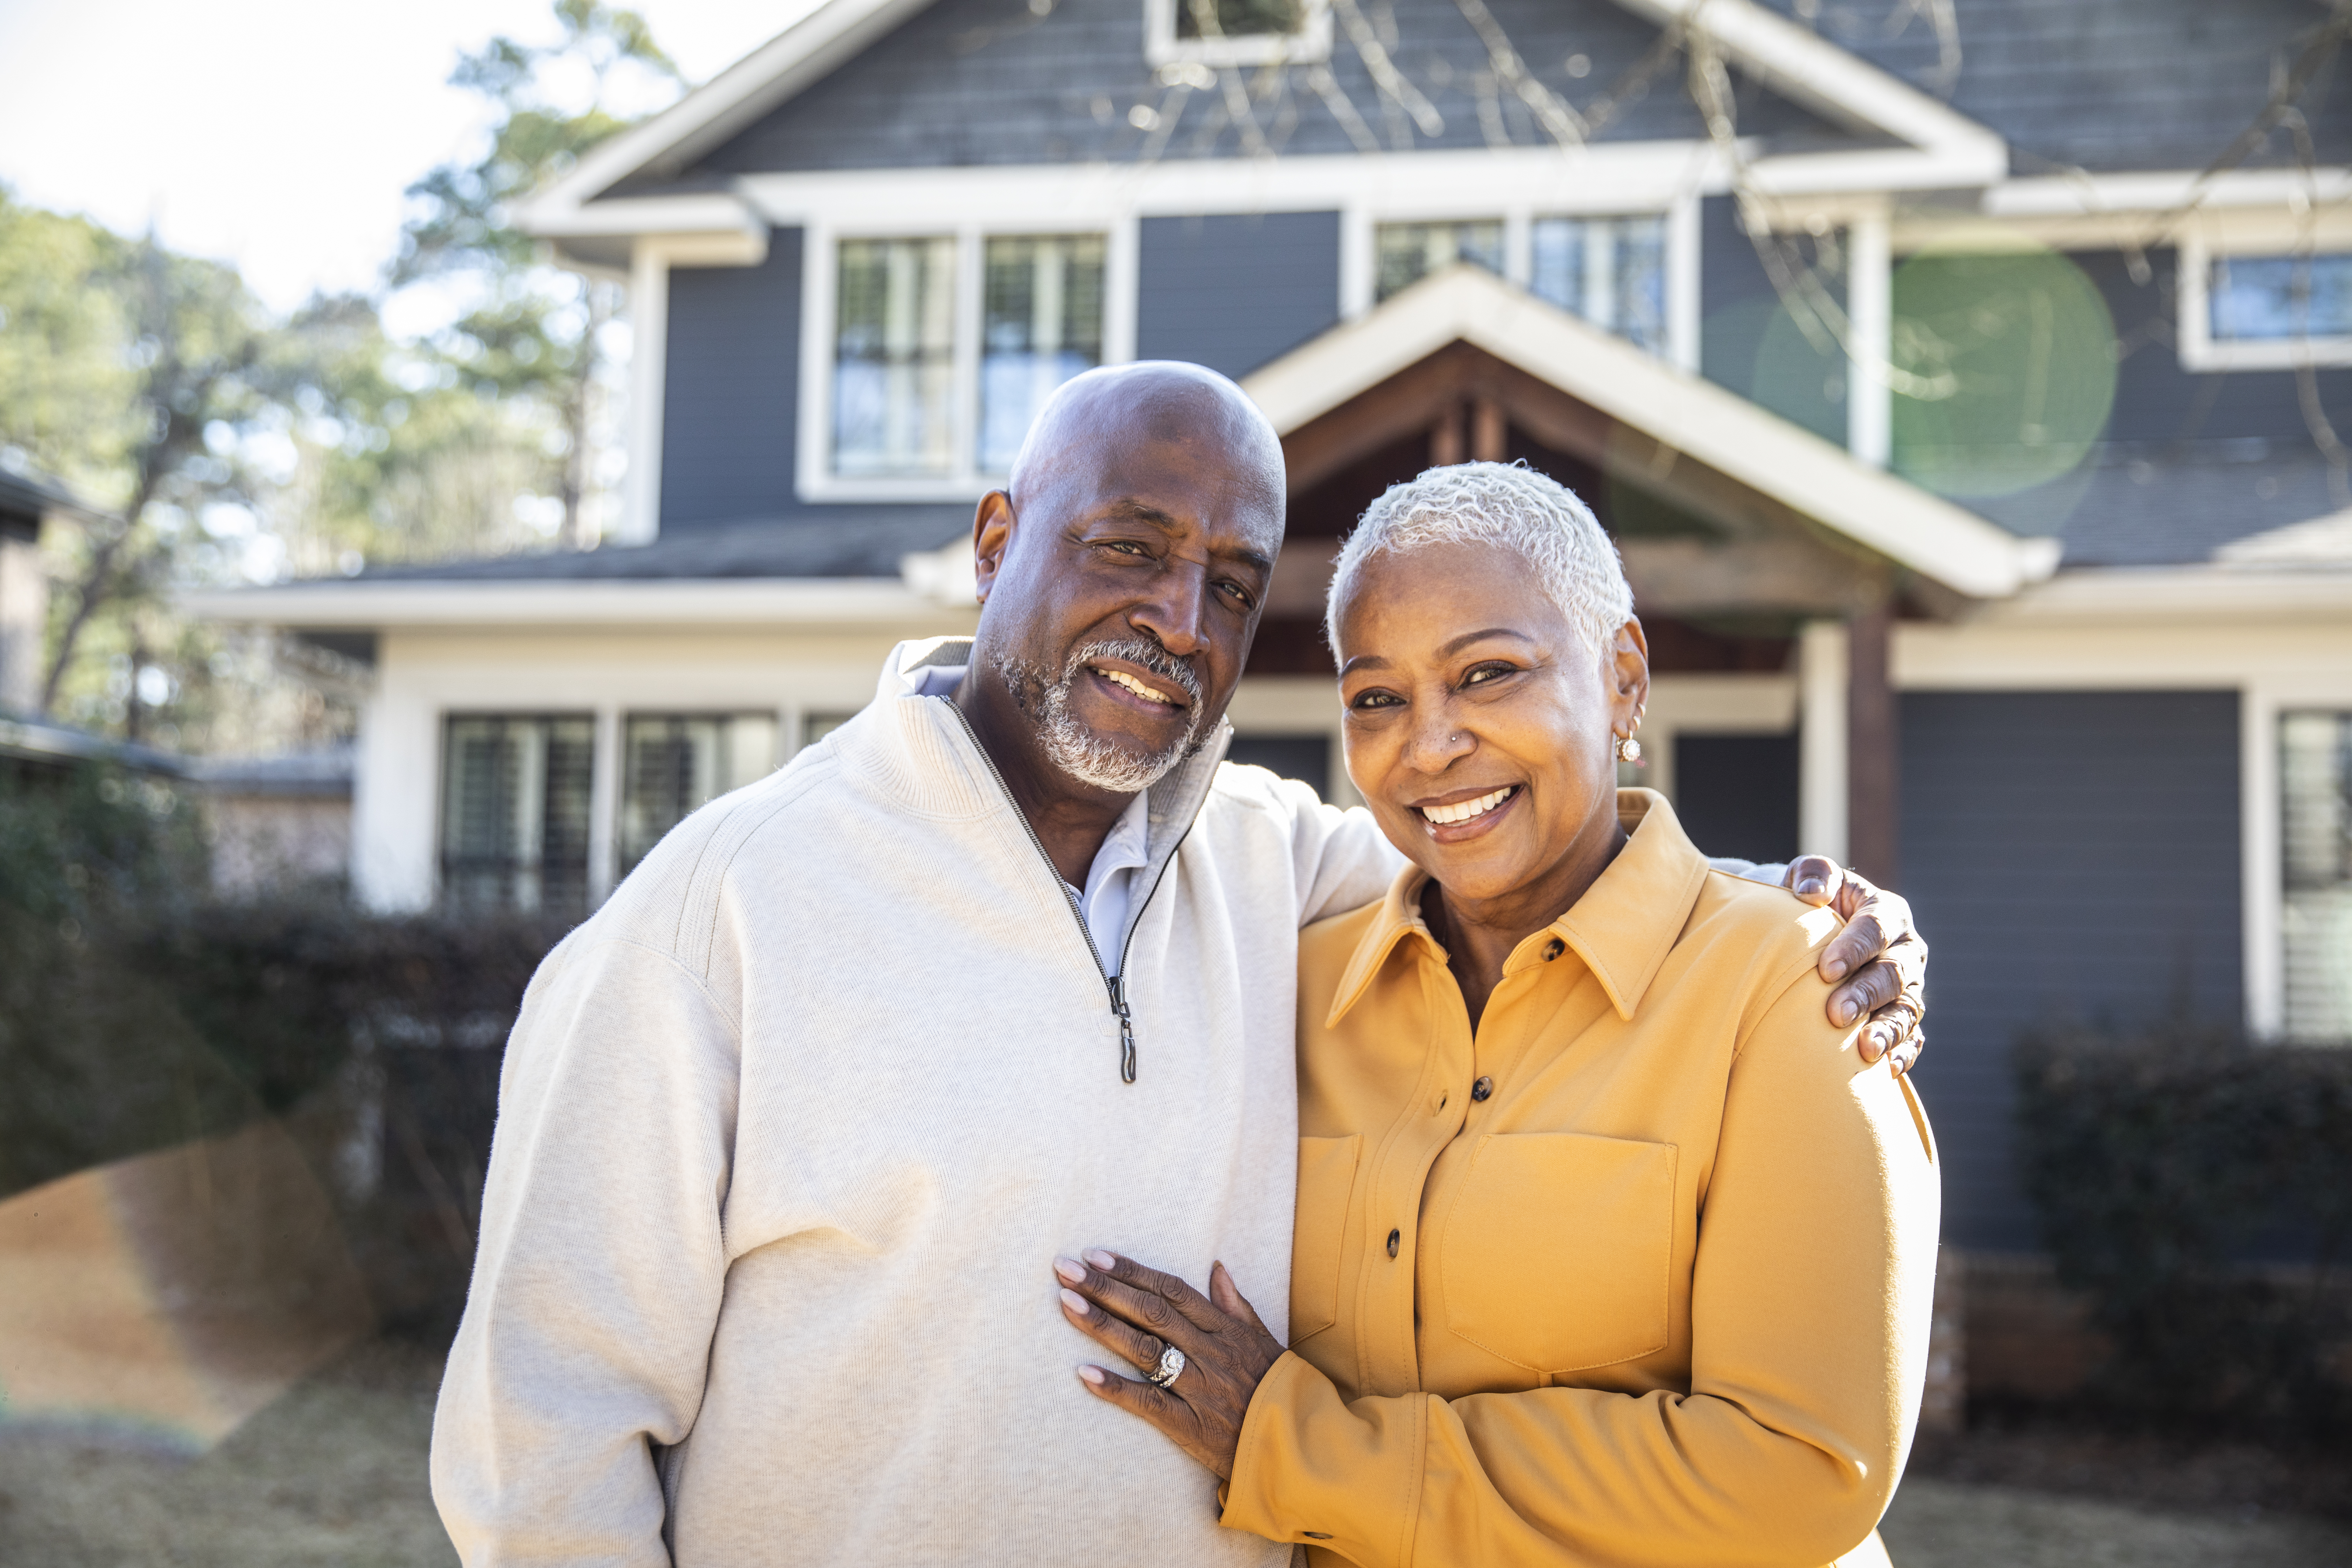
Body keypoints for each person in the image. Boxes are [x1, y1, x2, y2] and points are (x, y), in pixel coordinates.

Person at [430, 366, 1926, 1566]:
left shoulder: (1278, 869)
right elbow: (539, 1439)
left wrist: (1805, 916)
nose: (1179, 620)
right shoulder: (721, 909)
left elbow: (1535, 858)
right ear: (998, 540)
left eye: (1231, 580)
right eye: (1131, 548)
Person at [1056, 462, 1939, 1568]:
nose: (1429, 746)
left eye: (1489, 674)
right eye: (1378, 698)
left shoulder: (1788, 987)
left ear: (1623, 681)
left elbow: (1801, 1471)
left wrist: (1296, 1448)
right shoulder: (1293, 994)